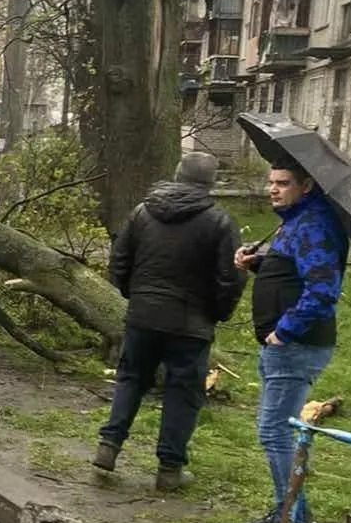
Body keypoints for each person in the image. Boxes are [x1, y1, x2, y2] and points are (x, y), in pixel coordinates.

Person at [93, 153, 244, 492]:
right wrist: (218, 313)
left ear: (176, 175)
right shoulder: (220, 222)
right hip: (191, 324)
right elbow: (230, 278)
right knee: (182, 392)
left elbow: (119, 260)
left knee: (130, 378)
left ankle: (109, 446)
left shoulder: (142, 212)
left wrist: (136, 294)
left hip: (144, 315)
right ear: (211, 184)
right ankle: (169, 469)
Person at [235, 161, 347, 523]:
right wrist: (259, 264)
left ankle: (293, 521)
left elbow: (322, 291)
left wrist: (283, 332)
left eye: (283, 183)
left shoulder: (315, 226)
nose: (273, 189)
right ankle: (294, 509)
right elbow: (292, 273)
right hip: (284, 346)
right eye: (270, 182)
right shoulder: (296, 221)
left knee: (276, 432)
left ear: (308, 184)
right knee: (277, 431)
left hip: (297, 346)